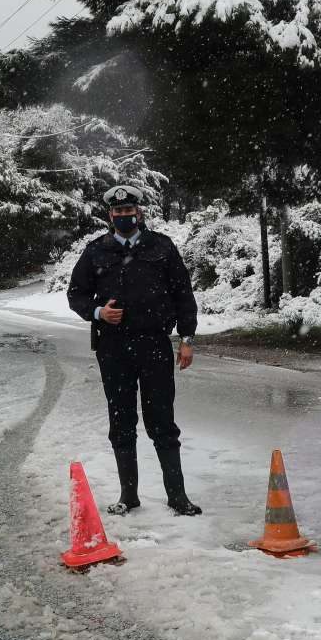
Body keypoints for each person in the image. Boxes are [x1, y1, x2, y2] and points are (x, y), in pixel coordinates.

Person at [67, 185, 202, 516]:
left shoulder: (162, 247)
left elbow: (183, 294)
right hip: (113, 350)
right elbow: (76, 294)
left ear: (139, 213)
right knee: (121, 421)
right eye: (118, 214)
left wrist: (187, 338)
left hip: (154, 344)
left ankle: (177, 496)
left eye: (129, 212)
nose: (124, 217)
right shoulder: (96, 251)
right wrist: (99, 313)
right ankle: (129, 496)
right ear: (110, 216)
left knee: (163, 423)